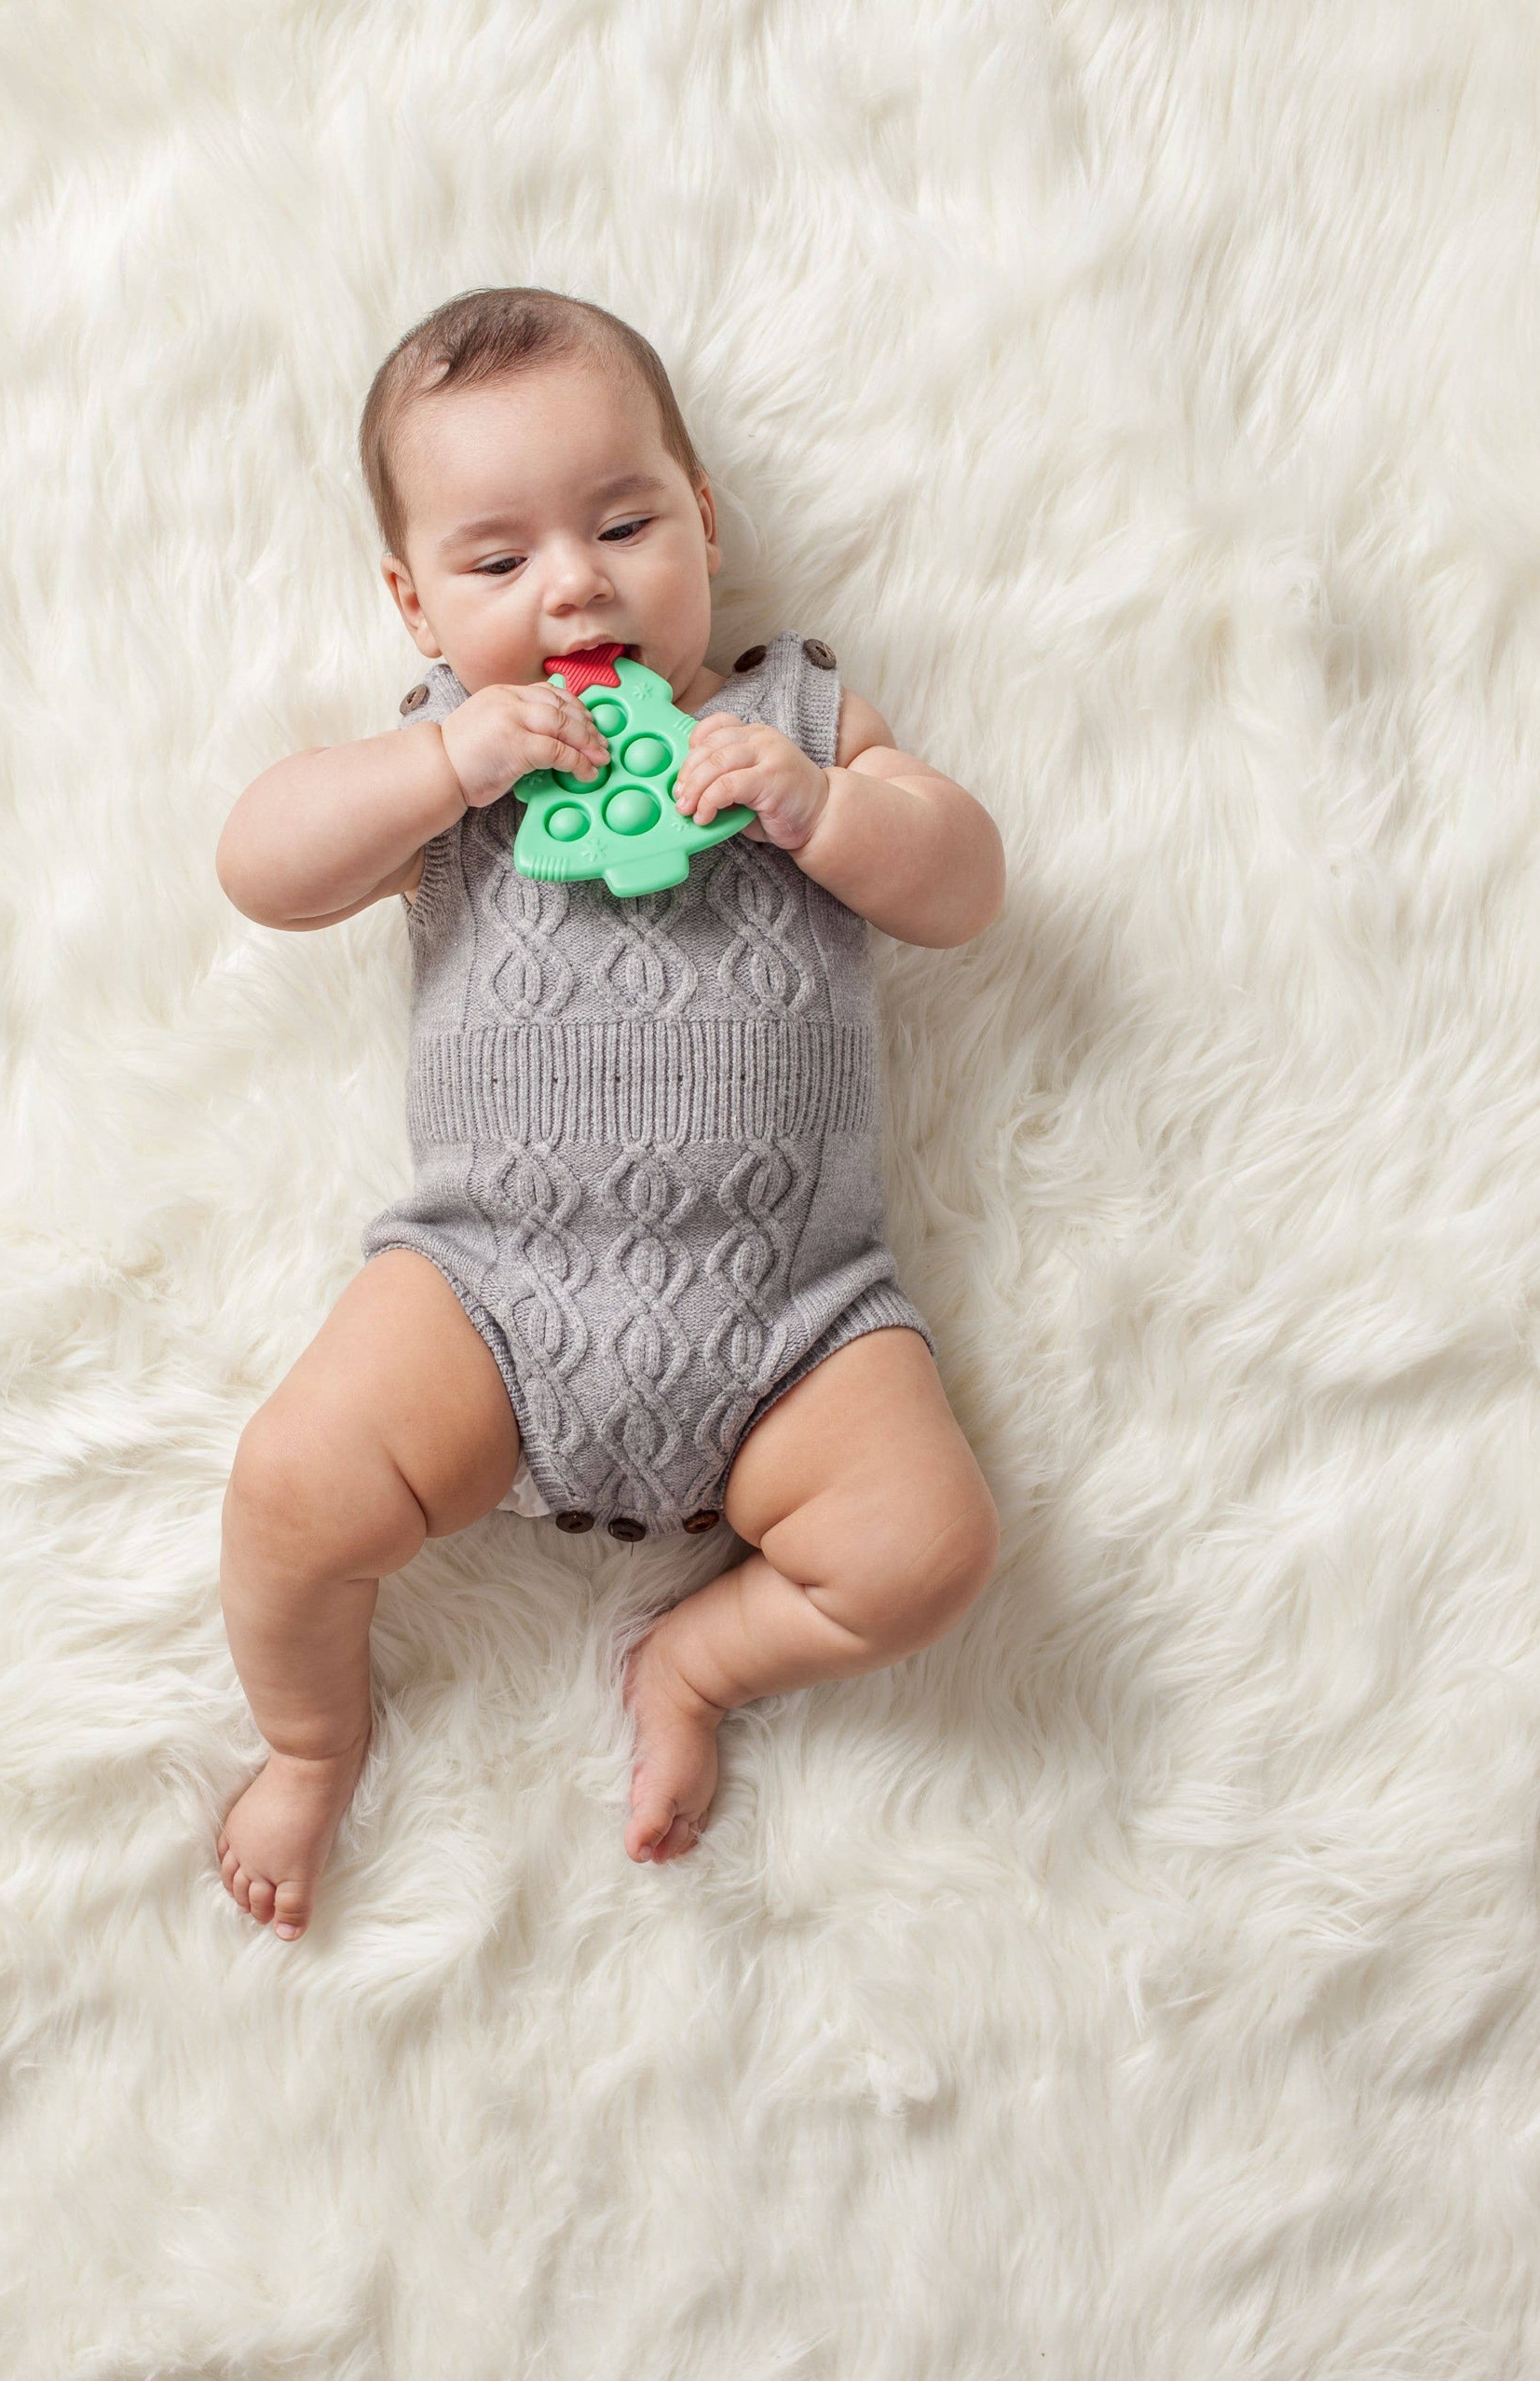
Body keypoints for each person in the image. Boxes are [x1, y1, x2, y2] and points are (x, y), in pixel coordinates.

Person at [211, 286, 1004, 1941]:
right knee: (291, 1487)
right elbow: (263, 865)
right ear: (415, 604)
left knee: (926, 1550)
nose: (572, 584)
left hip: (793, 1316)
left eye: (623, 525)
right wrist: (444, 769)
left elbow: (964, 886)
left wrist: (826, 809)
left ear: (702, 522)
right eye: (497, 562)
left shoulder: (794, 721)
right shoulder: (450, 763)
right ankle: (311, 1739)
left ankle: (697, 1661)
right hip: (489, 1295)